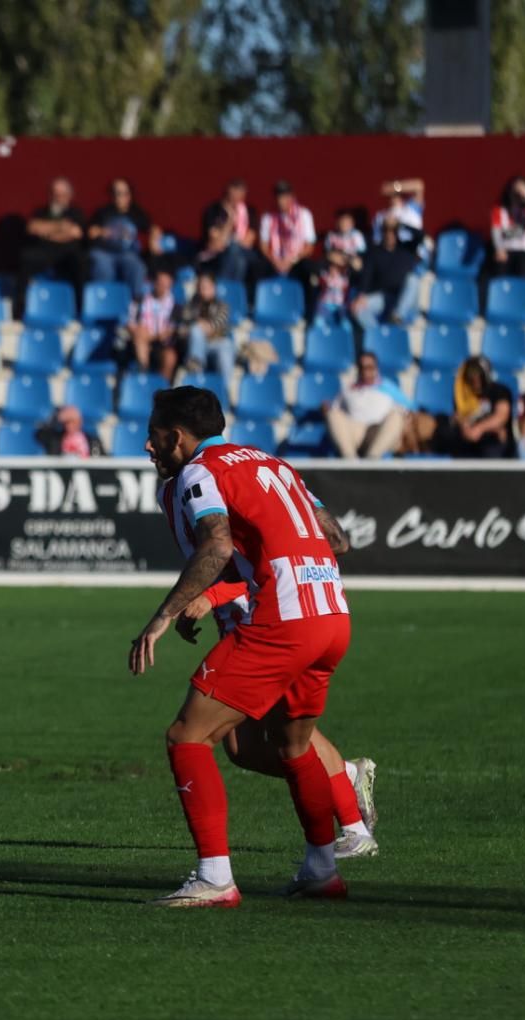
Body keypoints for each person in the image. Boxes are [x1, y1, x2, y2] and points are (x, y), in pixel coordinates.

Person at [130, 386, 356, 907]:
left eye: (154, 436)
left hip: (285, 620)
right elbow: (337, 539)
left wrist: (162, 616)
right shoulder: (272, 463)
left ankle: (214, 877)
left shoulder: (200, 471)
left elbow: (217, 542)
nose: (149, 447)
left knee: (187, 735)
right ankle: (323, 870)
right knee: (293, 746)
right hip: (333, 613)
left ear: (177, 437)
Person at [159, 476, 377, 859]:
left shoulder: (222, 480)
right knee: (244, 747)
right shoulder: (185, 486)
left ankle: (351, 823)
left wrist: (214, 595)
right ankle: (341, 788)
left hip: (272, 619)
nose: (147, 445)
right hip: (249, 620)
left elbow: (268, 566)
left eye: (155, 434)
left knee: (277, 733)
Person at [403, 355, 514, 459]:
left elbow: (501, 416)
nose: (474, 378)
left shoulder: (498, 390)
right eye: (470, 373)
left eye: (477, 373)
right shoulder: (464, 394)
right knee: (438, 430)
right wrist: (464, 426)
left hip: (491, 442)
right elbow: (460, 416)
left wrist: (479, 429)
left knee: (496, 438)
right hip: (465, 438)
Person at [16, 177, 85, 317]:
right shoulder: (40, 212)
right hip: (44, 252)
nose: (58, 198)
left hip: (68, 253)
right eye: (55, 194)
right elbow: (32, 228)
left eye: (62, 194)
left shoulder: (76, 213)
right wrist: (61, 227)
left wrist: (47, 231)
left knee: (82, 263)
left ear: (69, 196)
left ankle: (80, 308)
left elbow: (75, 232)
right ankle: (20, 309)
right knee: (26, 257)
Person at [325, 350, 409, 460]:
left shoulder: (388, 388)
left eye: (369, 367)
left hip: (378, 432)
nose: (365, 371)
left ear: (376, 368)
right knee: (332, 414)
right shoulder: (348, 389)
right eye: (362, 367)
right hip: (354, 433)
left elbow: (408, 409)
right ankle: (350, 461)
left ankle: (372, 460)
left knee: (396, 416)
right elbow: (335, 409)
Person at [87, 177, 152, 298]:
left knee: (137, 266)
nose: (119, 197)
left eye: (123, 193)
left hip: (127, 253)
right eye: (116, 193)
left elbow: (152, 228)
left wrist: (155, 239)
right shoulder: (103, 212)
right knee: (102, 266)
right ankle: (104, 302)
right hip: (104, 252)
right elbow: (90, 232)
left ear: (129, 195)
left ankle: (135, 304)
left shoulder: (136, 213)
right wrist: (102, 231)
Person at [349, 223, 422, 331]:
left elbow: (421, 235)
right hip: (385, 297)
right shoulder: (375, 252)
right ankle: (379, 335)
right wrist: (361, 296)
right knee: (357, 308)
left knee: (413, 279)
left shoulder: (407, 248)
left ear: (397, 234)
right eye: (386, 232)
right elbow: (367, 275)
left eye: (393, 232)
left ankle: (397, 316)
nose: (389, 235)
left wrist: (400, 224)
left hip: (406, 300)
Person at [172, 272, 234, 379]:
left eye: (206, 287)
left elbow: (214, 326)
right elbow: (181, 329)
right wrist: (197, 325)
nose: (203, 290)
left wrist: (198, 324)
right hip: (193, 345)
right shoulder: (190, 306)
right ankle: (196, 370)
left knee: (226, 345)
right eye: (200, 287)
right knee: (196, 330)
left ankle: (225, 387)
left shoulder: (223, 307)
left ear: (213, 288)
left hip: (214, 344)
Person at [198, 179, 256, 284]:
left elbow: (248, 242)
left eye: (240, 195)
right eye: (234, 194)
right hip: (218, 254)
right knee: (239, 261)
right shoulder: (214, 210)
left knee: (235, 250)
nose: (237, 199)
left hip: (243, 251)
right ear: (228, 192)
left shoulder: (249, 211)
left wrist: (231, 242)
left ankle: (225, 287)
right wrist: (230, 220)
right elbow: (215, 242)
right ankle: (232, 290)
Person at [258, 180, 316, 280]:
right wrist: (275, 261)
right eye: (279, 197)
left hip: (296, 260)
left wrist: (291, 260)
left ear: (292, 197)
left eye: (285, 197)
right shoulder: (267, 217)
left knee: (308, 268)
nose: (281, 201)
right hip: (274, 260)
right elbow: (263, 245)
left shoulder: (304, 214)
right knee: (258, 267)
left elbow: (309, 247)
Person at [490, 176, 525, 279]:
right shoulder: (500, 209)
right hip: (508, 250)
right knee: (499, 267)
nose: (520, 193)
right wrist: (499, 249)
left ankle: (522, 293)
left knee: (522, 265)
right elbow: (496, 232)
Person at [129, 269, 178, 378]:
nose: (162, 287)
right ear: (154, 283)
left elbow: (170, 331)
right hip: (140, 341)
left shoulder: (176, 306)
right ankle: (143, 373)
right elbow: (130, 323)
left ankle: (164, 390)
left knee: (170, 357)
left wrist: (155, 336)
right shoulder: (140, 300)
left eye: (166, 284)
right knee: (140, 332)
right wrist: (142, 332)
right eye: (160, 283)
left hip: (163, 344)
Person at [373, 177, 426, 252]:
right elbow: (377, 241)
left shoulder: (412, 208)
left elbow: (419, 186)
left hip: (413, 252)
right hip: (393, 256)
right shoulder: (380, 216)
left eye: (394, 194)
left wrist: (394, 187)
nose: (392, 196)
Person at [35, 404, 105, 458]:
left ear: (80, 421)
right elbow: (40, 434)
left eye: (73, 421)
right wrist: (56, 418)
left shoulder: (92, 441)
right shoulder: (56, 439)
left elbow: (103, 460)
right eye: (66, 422)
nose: (69, 425)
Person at [312, 250, 354, 325]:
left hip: (339, 306)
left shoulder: (345, 279)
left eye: (337, 267)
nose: (333, 268)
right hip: (325, 304)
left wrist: (344, 260)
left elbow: (352, 269)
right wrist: (329, 256)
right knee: (318, 321)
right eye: (332, 265)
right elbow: (317, 270)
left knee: (346, 324)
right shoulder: (325, 276)